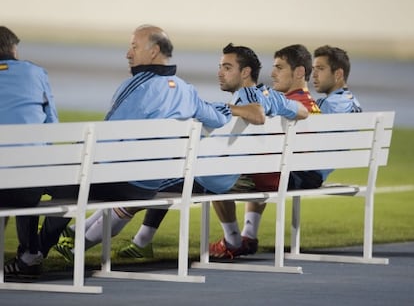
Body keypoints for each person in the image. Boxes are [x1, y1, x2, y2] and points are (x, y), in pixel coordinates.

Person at [54, 43, 309, 262]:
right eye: (220, 66)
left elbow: (257, 114)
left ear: (245, 72)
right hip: (234, 174)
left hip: (217, 177)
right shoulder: (270, 95)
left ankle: (79, 244)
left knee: (143, 183)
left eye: (227, 67)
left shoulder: (247, 97)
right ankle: (118, 237)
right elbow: (302, 112)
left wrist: (230, 109)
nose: (219, 73)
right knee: (162, 170)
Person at [210, 44, 363, 259]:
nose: (273, 74)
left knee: (215, 177)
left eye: (279, 68)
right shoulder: (311, 105)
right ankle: (249, 233)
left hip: (288, 175)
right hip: (303, 173)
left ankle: (232, 240)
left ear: (299, 72)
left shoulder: (289, 106)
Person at [0, 26, 59, 277]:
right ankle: (30, 254)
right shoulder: (36, 74)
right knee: (30, 166)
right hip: (29, 186)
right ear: (14, 49)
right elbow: (51, 127)